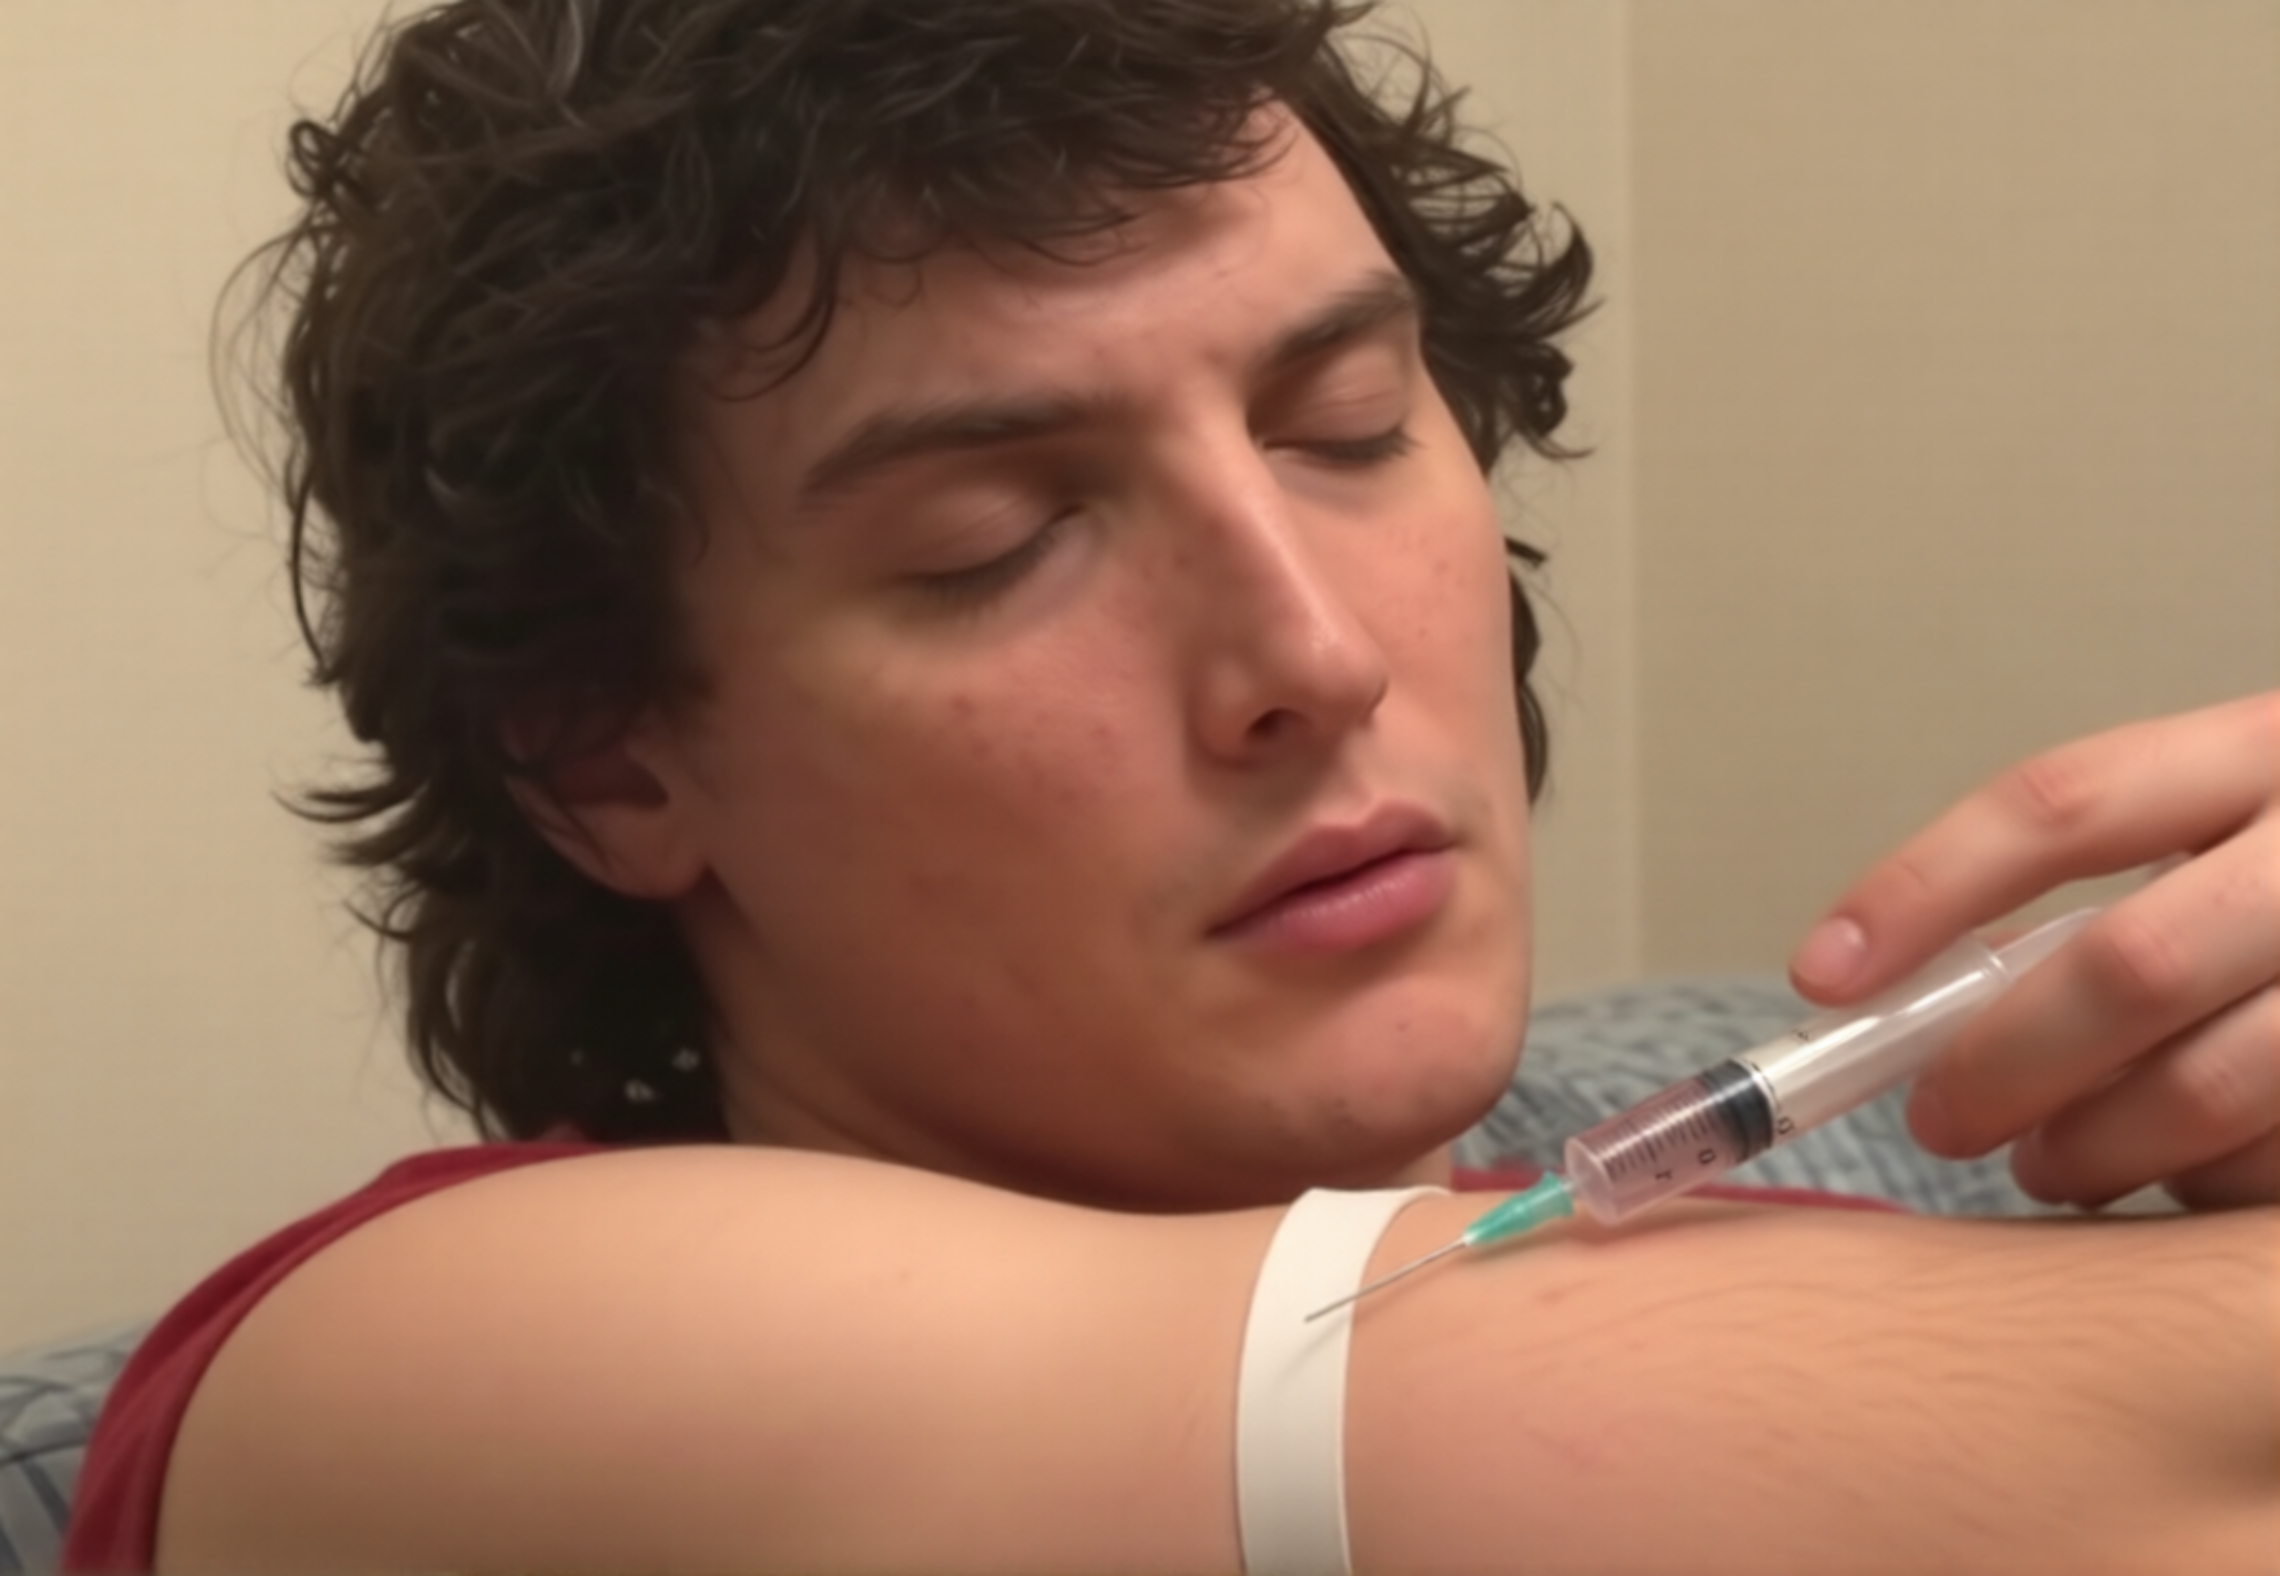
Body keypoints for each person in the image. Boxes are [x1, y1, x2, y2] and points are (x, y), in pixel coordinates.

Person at [66, 0, 2276, 1570]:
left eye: (1346, 426)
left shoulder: (1819, 1250)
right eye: (994, 541)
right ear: (605, 756)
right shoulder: (428, 1374)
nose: (1315, 654)